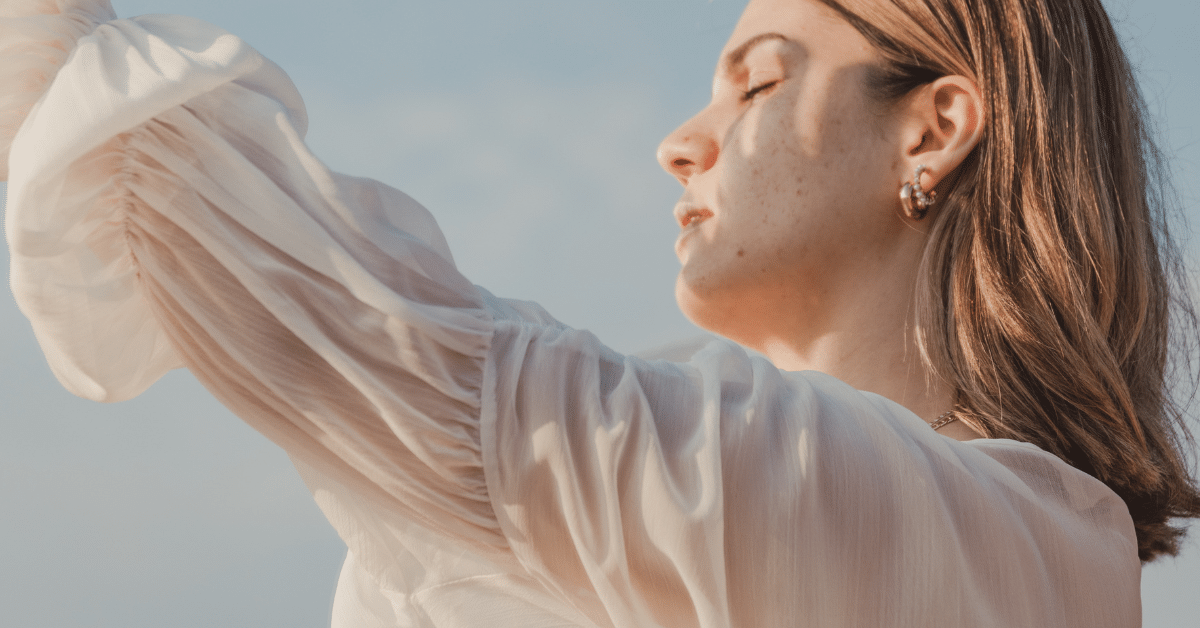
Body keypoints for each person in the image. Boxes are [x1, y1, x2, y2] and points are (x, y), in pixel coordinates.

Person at [3, 0, 1198, 626]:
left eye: (762, 79)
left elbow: (423, 373)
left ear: (933, 128)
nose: (682, 143)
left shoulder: (1005, 543)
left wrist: (56, 52)